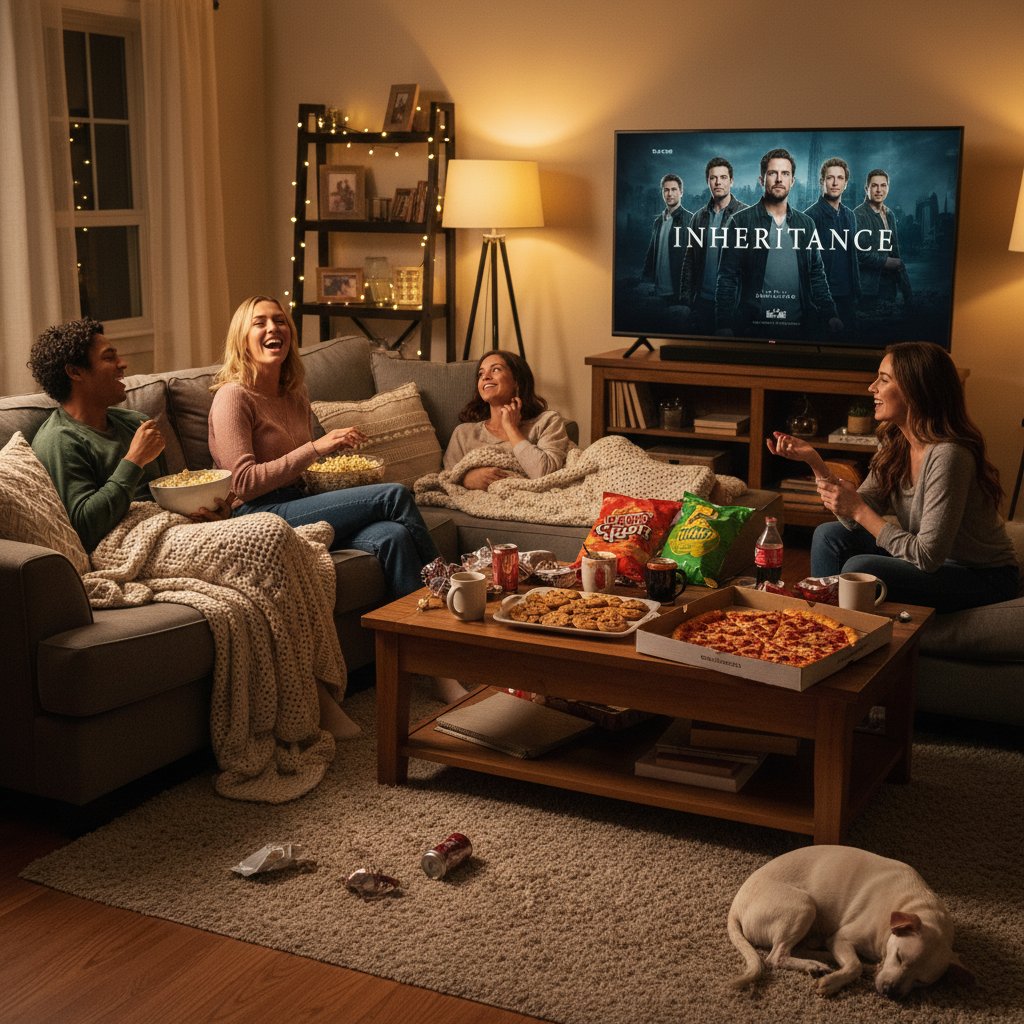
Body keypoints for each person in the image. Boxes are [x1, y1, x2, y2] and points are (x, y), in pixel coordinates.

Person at [28, 317, 359, 762]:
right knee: (270, 533)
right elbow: (86, 524)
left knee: (291, 545)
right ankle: (314, 699)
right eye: (109, 357)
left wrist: (209, 510)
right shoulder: (59, 439)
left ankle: (313, 687)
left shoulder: (130, 421)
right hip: (126, 543)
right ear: (75, 372)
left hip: (174, 527)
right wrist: (131, 462)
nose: (123, 363)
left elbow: (173, 490)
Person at [208, 295, 439, 599]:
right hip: (256, 514)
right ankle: (447, 585)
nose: (272, 328)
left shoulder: (294, 395)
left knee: (393, 536)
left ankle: (418, 637)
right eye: (259, 323)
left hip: (296, 501)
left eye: (279, 321)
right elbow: (243, 482)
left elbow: (300, 468)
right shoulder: (233, 396)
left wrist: (334, 466)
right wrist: (315, 448)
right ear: (242, 339)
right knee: (393, 494)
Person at [767, 342, 1018, 613]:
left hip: (982, 577)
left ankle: (843, 630)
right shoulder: (896, 443)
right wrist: (815, 462)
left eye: (883, 380)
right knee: (829, 535)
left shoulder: (949, 456)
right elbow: (852, 520)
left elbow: (926, 556)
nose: (871, 387)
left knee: (860, 569)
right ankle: (822, 625)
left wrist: (860, 510)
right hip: (935, 563)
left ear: (915, 390)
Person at [716, 148, 842, 339]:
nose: (778, 179)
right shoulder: (740, 221)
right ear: (761, 180)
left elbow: (816, 274)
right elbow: (727, 277)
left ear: (792, 181)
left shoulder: (806, 224)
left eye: (785, 173)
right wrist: (723, 323)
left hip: (801, 329)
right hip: (753, 328)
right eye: (772, 173)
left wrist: (830, 314)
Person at [443, 350, 575, 490]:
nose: (485, 377)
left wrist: (511, 428)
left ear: (516, 381)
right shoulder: (464, 433)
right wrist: (466, 479)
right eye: (481, 374)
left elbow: (544, 474)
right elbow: (446, 480)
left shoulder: (547, 422)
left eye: (495, 370)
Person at [678, 157, 747, 335]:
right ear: (708, 181)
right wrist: (686, 302)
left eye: (723, 177)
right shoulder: (698, 217)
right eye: (713, 178)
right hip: (701, 302)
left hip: (733, 304)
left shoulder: (745, 216)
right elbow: (689, 261)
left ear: (731, 181)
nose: (718, 182)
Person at [804, 157, 861, 330]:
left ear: (846, 183)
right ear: (822, 181)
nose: (835, 183)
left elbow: (852, 255)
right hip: (822, 298)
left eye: (840, 178)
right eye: (830, 178)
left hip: (848, 296)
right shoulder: (810, 217)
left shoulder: (850, 215)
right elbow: (806, 265)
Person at [854, 168, 912, 312]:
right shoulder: (857, 215)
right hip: (868, 289)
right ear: (867, 188)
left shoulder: (890, 214)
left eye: (883, 185)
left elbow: (895, 252)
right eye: (874, 185)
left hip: (889, 287)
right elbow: (858, 254)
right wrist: (885, 262)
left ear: (888, 188)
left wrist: (907, 293)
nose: (879, 190)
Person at [640, 173, 692, 301]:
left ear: (681, 192)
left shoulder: (690, 220)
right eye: (666, 190)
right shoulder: (658, 221)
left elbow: (695, 259)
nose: (670, 194)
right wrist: (646, 279)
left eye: (674, 189)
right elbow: (651, 252)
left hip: (677, 291)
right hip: (657, 290)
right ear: (662, 193)